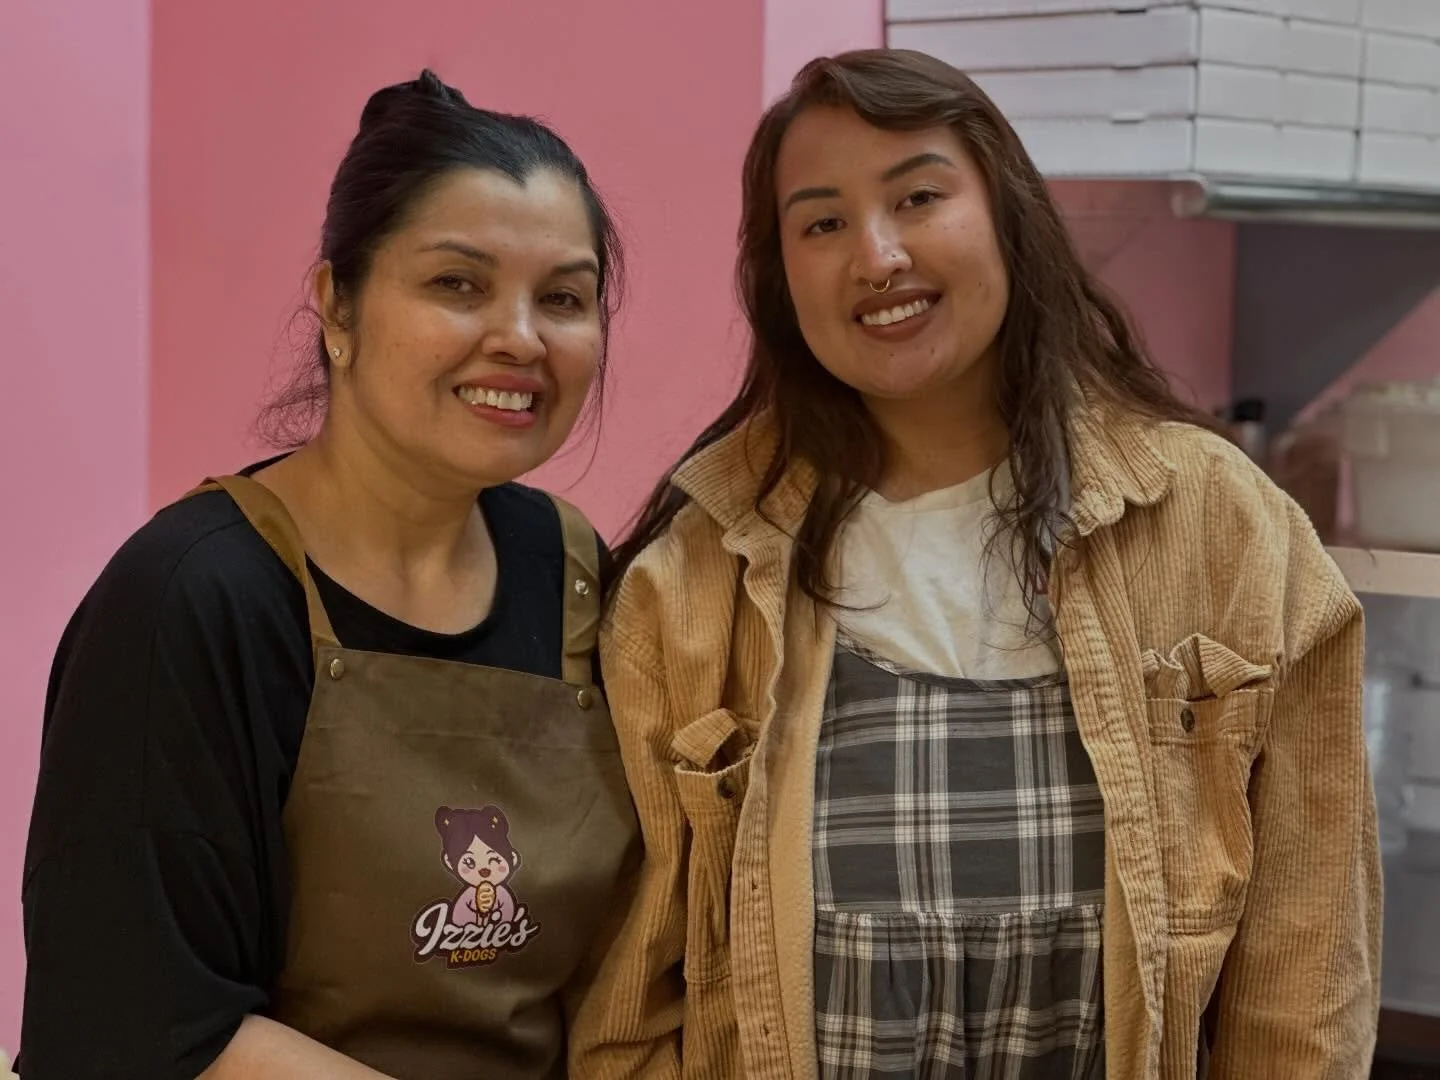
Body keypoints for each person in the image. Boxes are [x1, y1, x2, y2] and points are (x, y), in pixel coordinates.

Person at [571, 49, 1381, 1080]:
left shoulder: (1227, 532)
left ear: (1006, 214)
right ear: (780, 279)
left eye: (917, 197)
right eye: (821, 223)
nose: (877, 255)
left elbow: (1304, 994)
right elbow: (628, 1009)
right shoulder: (691, 584)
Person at [21, 70, 638, 1080]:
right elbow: (140, 1029)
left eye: (563, 298)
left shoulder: (569, 574)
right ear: (336, 305)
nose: (521, 338)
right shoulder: (191, 598)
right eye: (458, 284)